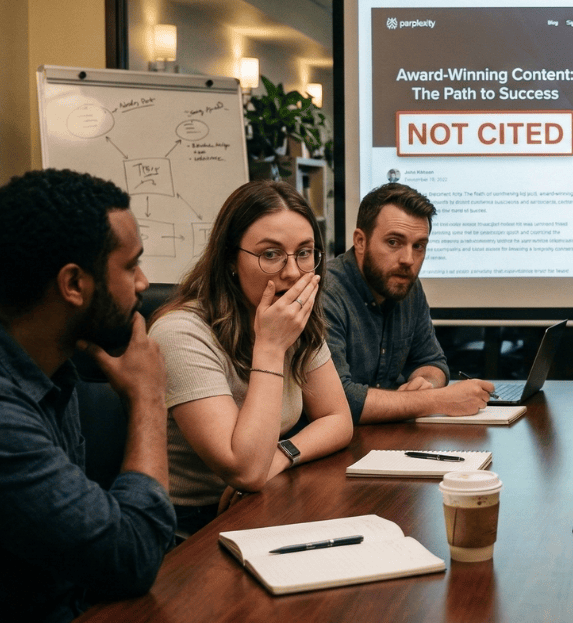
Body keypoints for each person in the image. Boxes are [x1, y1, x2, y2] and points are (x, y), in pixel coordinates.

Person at [0, 169, 175, 622]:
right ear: (74, 284)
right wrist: (149, 398)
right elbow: (132, 554)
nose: (143, 282)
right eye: (130, 264)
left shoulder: (53, 366)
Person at [149, 181, 353, 536]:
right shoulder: (180, 333)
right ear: (230, 260)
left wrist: (280, 456)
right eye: (270, 254)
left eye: (305, 252)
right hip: (188, 527)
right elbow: (243, 470)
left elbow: (338, 418)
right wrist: (271, 348)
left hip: (261, 500)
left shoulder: (291, 316)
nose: (292, 272)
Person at [324, 183, 493, 424]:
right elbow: (338, 401)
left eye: (419, 246)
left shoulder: (406, 286)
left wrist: (425, 384)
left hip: (387, 437)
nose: (408, 259)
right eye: (393, 242)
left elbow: (431, 361)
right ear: (360, 241)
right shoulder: (326, 292)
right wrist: (437, 400)